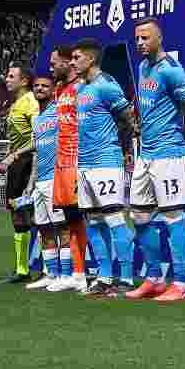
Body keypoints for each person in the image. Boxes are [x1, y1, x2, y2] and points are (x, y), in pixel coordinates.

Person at [126, 18, 185, 302]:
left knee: (173, 216)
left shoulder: (172, 70)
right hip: (146, 153)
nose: (139, 43)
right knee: (140, 215)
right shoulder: (144, 67)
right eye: (137, 38)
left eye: (145, 38)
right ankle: (155, 277)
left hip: (169, 153)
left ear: (159, 38)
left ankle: (180, 283)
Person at [72, 38, 137, 297]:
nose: (73, 62)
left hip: (106, 161)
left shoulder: (107, 85)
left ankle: (128, 278)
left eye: (77, 57)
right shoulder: (81, 89)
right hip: (85, 164)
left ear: (91, 59)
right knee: (93, 221)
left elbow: (127, 119)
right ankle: (105, 275)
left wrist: (125, 150)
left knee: (114, 218)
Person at [47, 45, 90, 293]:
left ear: (68, 63)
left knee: (85, 217)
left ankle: (87, 273)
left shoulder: (81, 88)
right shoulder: (59, 90)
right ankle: (77, 272)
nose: (52, 67)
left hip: (78, 161)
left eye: (55, 63)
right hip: (61, 162)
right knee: (71, 219)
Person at [25, 75, 71, 291]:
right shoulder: (36, 118)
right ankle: (51, 274)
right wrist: (31, 183)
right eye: (37, 86)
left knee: (62, 226)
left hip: (56, 178)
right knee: (44, 228)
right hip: (40, 181)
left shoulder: (59, 112)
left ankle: (66, 274)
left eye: (45, 86)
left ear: (53, 90)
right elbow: (37, 152)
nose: (40, 89)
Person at [0, 65, 39, 284]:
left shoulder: (31, 102)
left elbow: (38, 137)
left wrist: (15, 156)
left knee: (31, 213)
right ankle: (22, 269)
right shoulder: (15, 104)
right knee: (16, 212)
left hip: (29, 162)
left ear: (24, 81)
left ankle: (46, 266)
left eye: (11, 76)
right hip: (17, 162)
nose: (7, 79)